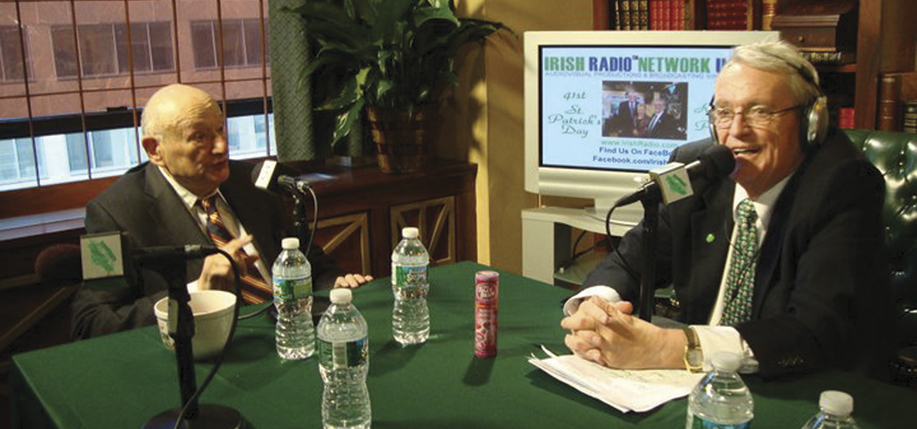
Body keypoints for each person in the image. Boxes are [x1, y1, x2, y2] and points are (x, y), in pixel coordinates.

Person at [561, 41, 891, 379]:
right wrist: (595, 309)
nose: (735, 131)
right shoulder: (695, 169)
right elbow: (631, 260)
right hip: (695, 382)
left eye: (760, 111)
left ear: (811, 121)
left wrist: (665, 347)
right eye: (724, 112)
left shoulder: (844, 185)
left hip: (798, 385)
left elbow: (814, 331)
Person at [71, 84, 373, 340]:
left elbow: (312, 263)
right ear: (154, 150)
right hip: (208, 353)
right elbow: (91, 322)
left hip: (291, 336)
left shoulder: (253, 182)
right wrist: (192, 293)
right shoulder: (111, 213)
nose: (221, 146)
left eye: (219, 129)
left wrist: (335, 284)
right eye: (199, 137)